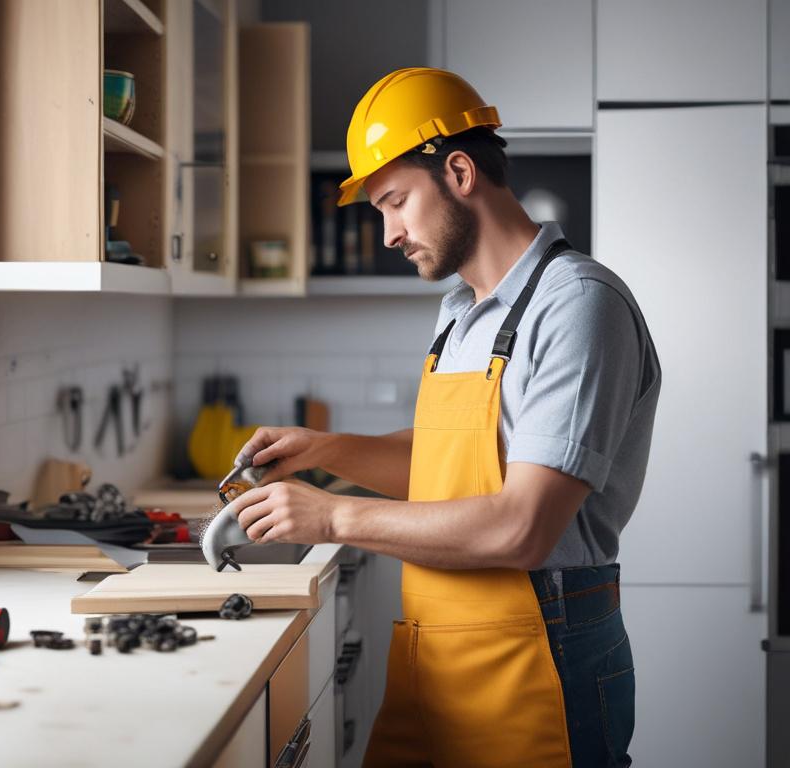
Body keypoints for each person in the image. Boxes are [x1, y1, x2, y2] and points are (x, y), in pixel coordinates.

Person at [224, 68, 661, 767]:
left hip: (539, 660)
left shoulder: (578, 305)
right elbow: (445, 462)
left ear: (459, 172)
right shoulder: (460, 312)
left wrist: (334, 517)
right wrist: (325, 450)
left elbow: (522, 526)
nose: (389, 234)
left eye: (396, 203)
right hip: (434, 657)